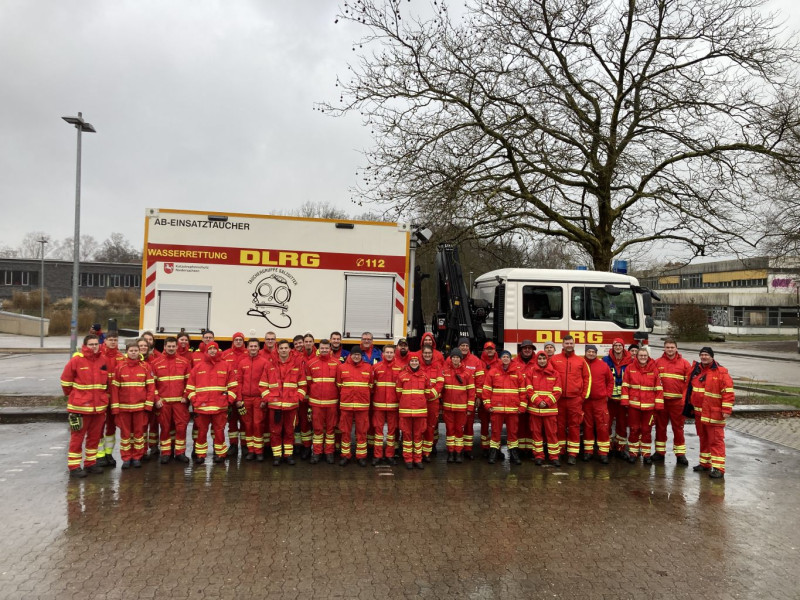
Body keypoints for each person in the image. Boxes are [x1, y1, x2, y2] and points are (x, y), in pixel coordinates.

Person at [60, 334, 109, 478]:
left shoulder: (102, 360)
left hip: (98, 408)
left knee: (94, 438)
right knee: (77, 438)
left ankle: (90, 463)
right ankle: (74, 466)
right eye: (91, 344)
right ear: (85, 345)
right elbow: (65, 382)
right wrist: (76, 396)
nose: (94, 346)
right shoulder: (76, 360)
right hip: (79, 408)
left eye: (96, 344)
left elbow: (105, 384)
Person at [186, 341, 238, 464]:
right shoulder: (198, 367)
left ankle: (220, 454)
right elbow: (190, 387)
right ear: (206, 351)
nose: (212, 351)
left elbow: (233, 386)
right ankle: (200, 454)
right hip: (202, 408)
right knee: (201, 432)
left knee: (219, 432)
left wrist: (228, 400)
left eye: (215, 349)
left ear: (218, 350)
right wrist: (195, 401)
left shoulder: (226, 366)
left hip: (220, 408)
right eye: (210, 349)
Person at [688, 347, 735, 479]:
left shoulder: (721, 372)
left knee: (716, 441)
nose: (704, 357)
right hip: (700, 414)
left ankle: (719, 468)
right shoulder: (698, 371)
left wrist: (726, 409)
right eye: (702, 355)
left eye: (706, 355)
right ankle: (705, 463)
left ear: (712, 357)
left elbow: (728, 392)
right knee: (703, 439)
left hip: (714, 414)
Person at [111, 341, 156, 468]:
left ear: (139, 352)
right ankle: (126, 458)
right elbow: (114, 389)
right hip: (124, 408)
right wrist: (115, 408)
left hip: (140, 408)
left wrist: (148, 406)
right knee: (125, 435)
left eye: (136, 351)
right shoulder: (119, 368)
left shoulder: (146, 367)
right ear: (127, 352)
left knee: (139, 433)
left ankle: (137, 457)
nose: (134, 353)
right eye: (131, 351)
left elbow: (150, 388)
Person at [263, 340, 307, 466]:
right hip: (275, 406)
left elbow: (303, 385)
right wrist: (269, 399)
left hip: (291, 406)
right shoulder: (269, 365)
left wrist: (297, 398)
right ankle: (277, 456)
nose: (283, 350)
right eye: (281, 348)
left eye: (285, 348)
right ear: (277, 350)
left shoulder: (296, 365)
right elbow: (263, 385)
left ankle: (288, 455)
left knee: (289, 431)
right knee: (275, 432)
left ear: (289, 350)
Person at [549, 335, 590, 464]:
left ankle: (573, 453)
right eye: (566, 343)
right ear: (562, 344)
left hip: (575, 400)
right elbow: (549, 379)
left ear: (574, 344)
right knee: (559, 426)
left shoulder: (580, 361)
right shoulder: (554, 360)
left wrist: (582, 396)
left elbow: (587, 379)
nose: (569, 345)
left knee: (574, 426)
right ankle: (560, 451)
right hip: (559, 399)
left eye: (571, 343)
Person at [152, 336, 192, 463]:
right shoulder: (156, 363)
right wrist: (157, 399)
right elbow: (152, 385)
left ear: (177, 347)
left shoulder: (184, 362)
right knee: (165, 427)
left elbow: (189, 382)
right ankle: (166, 452)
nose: (170, 348)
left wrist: (186, 396)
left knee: (181, 428)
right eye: (168, 346)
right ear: (164, 347)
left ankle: (180, 452)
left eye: (173, 346)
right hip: (164, 403)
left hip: (180, 402)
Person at [482, 350, 526, 465]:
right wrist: (487, 405)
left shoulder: (517, 372)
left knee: (513, 433)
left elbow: (523, 391)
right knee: (495, 432)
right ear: (500, 359)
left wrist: (522, 406)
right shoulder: (493, 372)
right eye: (503, 357)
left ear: (510, 359)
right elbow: (486, 390)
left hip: (513, 409)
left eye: (507, 356)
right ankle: (494, 452)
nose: (505, 358)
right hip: (497, 409)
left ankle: (513, 453)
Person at [621, 346, 664, 464]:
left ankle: (646, 455)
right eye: (641, 355)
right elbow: (625, 386)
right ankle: (633, 454)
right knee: (634, 430)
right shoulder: (630, 368)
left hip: (649, 407)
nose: (643, 358)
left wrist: (659, 406)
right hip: (633, 406)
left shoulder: (654, 370)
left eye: (645, 356)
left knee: (646, 430)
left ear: (648, 356)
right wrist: (625, 402)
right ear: (637, 356)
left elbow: (659, 389)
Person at [654, 338, 693, 465]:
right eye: (667, 347)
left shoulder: (684, 364)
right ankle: (660, 452)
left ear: (676, 348)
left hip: (677, 403)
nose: (670, 349)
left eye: (672, 347)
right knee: (660, 428)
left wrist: (684, 400)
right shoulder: (657, 362)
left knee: (678, 429)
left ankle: (680, 454)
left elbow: (689, 384)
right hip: (662, 402)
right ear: (664, 348)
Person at [395, 353, 434, 469]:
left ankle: (418, 459)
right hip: (406, 410)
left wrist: (420, 400)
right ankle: (408, 459)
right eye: (412, 361)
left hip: (420, 411)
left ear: (419, 362)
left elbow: (428, 392)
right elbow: (398, 393)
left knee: (418, 435)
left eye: (416, 361)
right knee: (407, 436)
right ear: (409, 362)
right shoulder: (402, 376)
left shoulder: (424, 376)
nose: (414, 363)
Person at [336, 347, 374, 466]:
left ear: (361, 356)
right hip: (346, 405)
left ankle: (361, 456)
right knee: (345, 431)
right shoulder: (342, 367)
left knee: (362, 431)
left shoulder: (368, 368)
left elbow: (371, 385)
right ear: (350, 355)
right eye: (354, 354)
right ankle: (345, 455)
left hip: (362, 406)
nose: (356, 356)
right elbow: (338, 385)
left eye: (358, 355)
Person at [306, 339, 341, 464]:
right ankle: (317, 453)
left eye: (327, 348)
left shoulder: (337, 364)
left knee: (331, 429)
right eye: (322, 348)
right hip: (316, 403)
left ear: (330, 349)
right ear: (318, 349)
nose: (324, 350)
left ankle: (329, 453)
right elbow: (309, 383)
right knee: (317, 429)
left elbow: (338, 384)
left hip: (331, 403)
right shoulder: (311, 363)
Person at [527, 351, 562, 466]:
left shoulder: (555, 373)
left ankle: (554, 456)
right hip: (535, 410)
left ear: (547, 360)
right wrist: (538, 401)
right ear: (536, 360)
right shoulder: (531, 372)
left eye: (544, 359)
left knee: (552, 433)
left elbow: (558, 391)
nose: (542, 361)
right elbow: (528, 389)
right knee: (536, 433)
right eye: (539, 359)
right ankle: (538, 456)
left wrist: (546, 402)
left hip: (549, 410)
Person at [237, 339, 270, 461]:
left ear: (258, 347)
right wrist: (239, 399)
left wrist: (264, 399)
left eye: (255, 346)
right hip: (245, 399)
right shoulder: (242, 363)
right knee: (248, 425)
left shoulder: (264, 362)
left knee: (258, 425)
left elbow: (267, 382)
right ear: (247, 347)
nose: (253, 348)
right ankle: (251, 450)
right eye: (251, 346)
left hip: (258, 398)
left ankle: (259, 451)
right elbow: (239, 382)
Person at [441, 349, 476, 463]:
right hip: (448, 408)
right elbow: (441, 390)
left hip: (461, 409)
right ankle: (451, 453)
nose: (455, 359)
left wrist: (470, 408)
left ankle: (458, 453)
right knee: (449, 431)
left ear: (461, 359)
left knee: (459, 431)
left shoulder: (467, 373)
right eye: (453, 357)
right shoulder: (445, 371)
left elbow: (471, 392)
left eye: (458, 357)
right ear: (450, 358)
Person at [453, 338, 485, 459]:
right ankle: (456, 449)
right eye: (462, 345)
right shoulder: (451, 359)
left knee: (468, 425)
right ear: (458, 347)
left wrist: (478, 396)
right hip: (456, 400)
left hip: (469, 399)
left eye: (466, 345)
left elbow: (480, 380)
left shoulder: (476, 361)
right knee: (456, 426)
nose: (464, 348)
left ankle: (468, 449)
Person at [371, 344, 402, 465]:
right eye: (387, 352)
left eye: (391, 352)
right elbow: (372, 386)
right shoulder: (376, 367)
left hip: (393, 405)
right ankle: (377, 455)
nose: (389, 354)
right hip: (378, 405)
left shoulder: (400, 368)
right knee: (378, 432)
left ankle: (390, 455)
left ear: (394, 354)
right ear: (382, 354)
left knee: (391, 432)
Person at [602, 338, 634, 459]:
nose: (618, 347)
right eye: (616, 345)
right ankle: (608, 448)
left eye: (620, 345)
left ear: (623, 347)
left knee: (622, 424)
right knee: (607, 424)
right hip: (609, 400)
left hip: (624, 400)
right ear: (613, 347)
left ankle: (620, 448)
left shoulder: (630, 361)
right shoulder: (605, 360)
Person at [96, 330, 123, 468]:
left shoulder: (121, 357)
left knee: (112, 427)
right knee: (99, 426)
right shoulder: (99, 357)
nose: (113, 342)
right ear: (105, 341)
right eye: (110, 339)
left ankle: (108, 453)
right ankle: (99, 455)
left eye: (115, 340)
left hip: (115, 399)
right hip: (101, 398)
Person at [582, 344, 613, 463]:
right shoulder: (581, 364)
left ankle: (603, 452)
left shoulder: (603, 365)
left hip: (600, 401)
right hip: (586, 401)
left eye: (593, 352)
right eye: (589, 351)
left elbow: (610, 381)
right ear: (585, 352)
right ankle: (588, 451)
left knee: (603, 426)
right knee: (587, 426)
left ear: (596, 353)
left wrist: (607, 395)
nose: (591, 353)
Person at [222, 332, 248, 457]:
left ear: (244, 341)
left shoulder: (249, 353)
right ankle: (233, 445)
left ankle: (244, 445)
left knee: (244, 421)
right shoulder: (225, 354)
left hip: (244, 394)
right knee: (231, 421)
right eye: (236, 339)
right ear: (233, 341)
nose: (238, 342)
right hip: (230, 394)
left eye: (240, 340)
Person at [512, 340, 537, 456]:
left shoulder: (538, 361)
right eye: (525, 348)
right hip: (519, 399)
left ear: (532, 350)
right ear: (521, 350)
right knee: (520, 425)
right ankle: (521, 450)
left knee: (533, 425)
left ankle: (532, 450)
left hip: (534, 399)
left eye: (529, 348)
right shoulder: (514, 362)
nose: (527, 350)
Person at [420, 345, 444, 461]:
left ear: (432, 354)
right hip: (420, 403)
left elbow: (440, 384)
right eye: (425, 353)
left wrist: (430, 395)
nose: (427, 355)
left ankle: (427, 452)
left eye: (429, 353)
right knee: (420, 427)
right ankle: (419, 452)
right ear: (422, 354)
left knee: (430, 427)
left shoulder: (438, 367)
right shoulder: (418, 366)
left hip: (432, 402)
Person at [478, 341, 500, 456]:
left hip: (497, 400)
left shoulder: (500, 363)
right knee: (485, 424)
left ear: (495, 350)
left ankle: (496, 448)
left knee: (497, 426)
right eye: (487, 349)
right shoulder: (479, 363)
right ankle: (485, 447)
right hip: (483, 398)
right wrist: (479, 397)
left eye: (492, 348)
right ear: (484, 350)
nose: (490, 350)